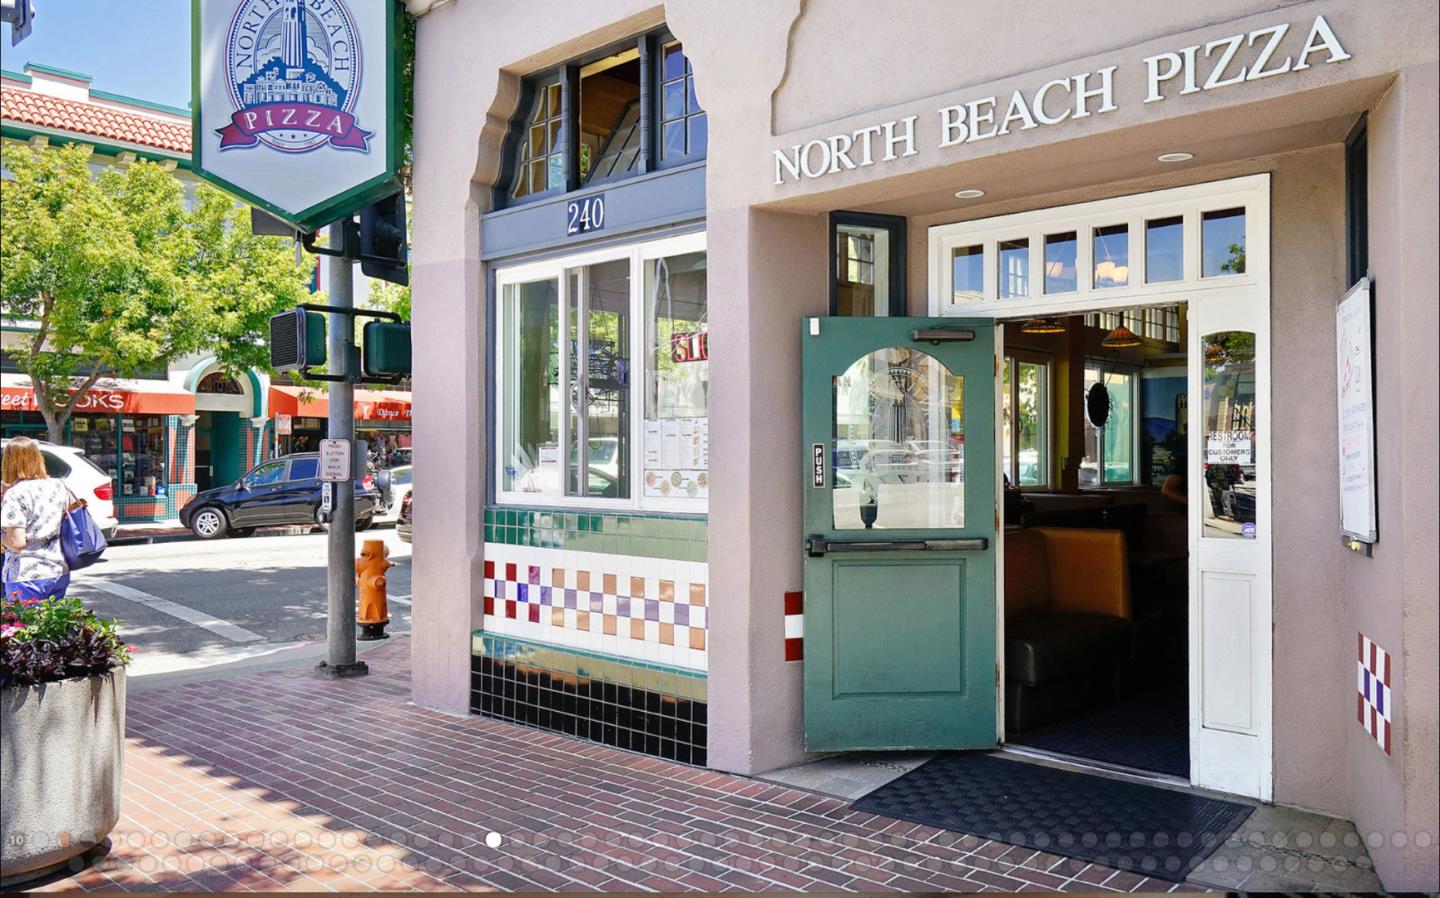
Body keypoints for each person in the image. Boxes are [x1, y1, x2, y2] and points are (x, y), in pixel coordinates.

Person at [1, 437, 74, 602]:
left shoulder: (16, 494)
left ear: (9, 462)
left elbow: (17, 543)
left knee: (22, 626)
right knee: (53, 624)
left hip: (25, 574)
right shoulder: (58, 486)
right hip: (57, 569)